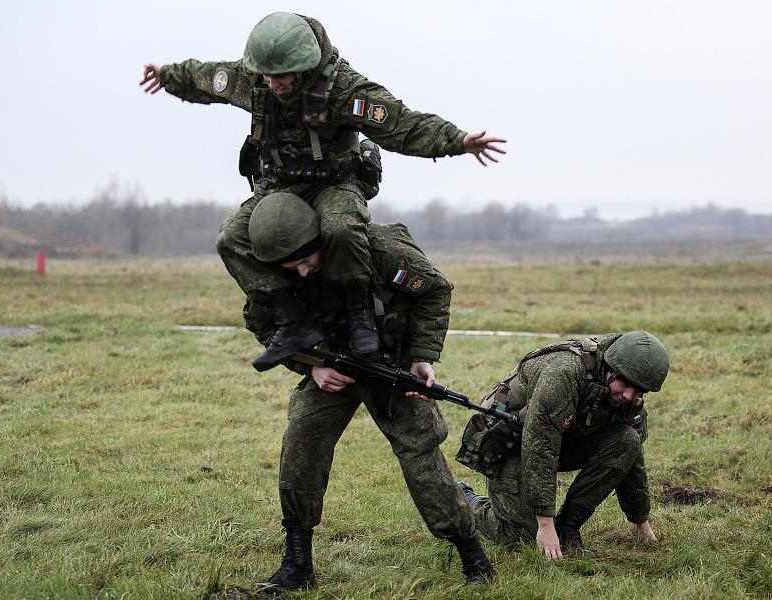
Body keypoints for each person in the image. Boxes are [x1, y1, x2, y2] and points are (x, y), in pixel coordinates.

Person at [140, 11, 506, 369]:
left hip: (336, 184)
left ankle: (359, 312)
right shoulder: (254, 79)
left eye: (280, 76)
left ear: (302, 66)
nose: (272, 82)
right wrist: (167, 75)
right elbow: (206, 78)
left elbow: (401, 124)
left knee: (339, 227)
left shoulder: (343, 90)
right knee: (231, 238)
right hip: (280, 186)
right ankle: (291, 320)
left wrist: (456, 140)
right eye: (266, 74)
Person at [239, 192, 495, 591]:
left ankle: (473, 557)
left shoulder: (380, 250)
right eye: (293, 268)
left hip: (392, 368)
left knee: (421, 454)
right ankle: (297, 565)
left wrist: (421, 356)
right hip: (331, 369)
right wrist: (313, 365)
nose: (302, 274)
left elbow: (435, 291)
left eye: (307, 262)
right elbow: (263, 326)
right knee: (301, 443)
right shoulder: (276, 278)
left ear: (320, 243)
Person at [454, 332, 670, 559]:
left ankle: (567, 527)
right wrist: (545, 525)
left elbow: (631, 457)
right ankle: (465, 498)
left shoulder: (626, 398)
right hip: (508, 444)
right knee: (521, 537)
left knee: (627, 440)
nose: (628, 395)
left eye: (638, 391)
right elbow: (540, 445)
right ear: (610, 367)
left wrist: (641, 522)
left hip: (558, 441)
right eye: (625, 384)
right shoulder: (564, 371)